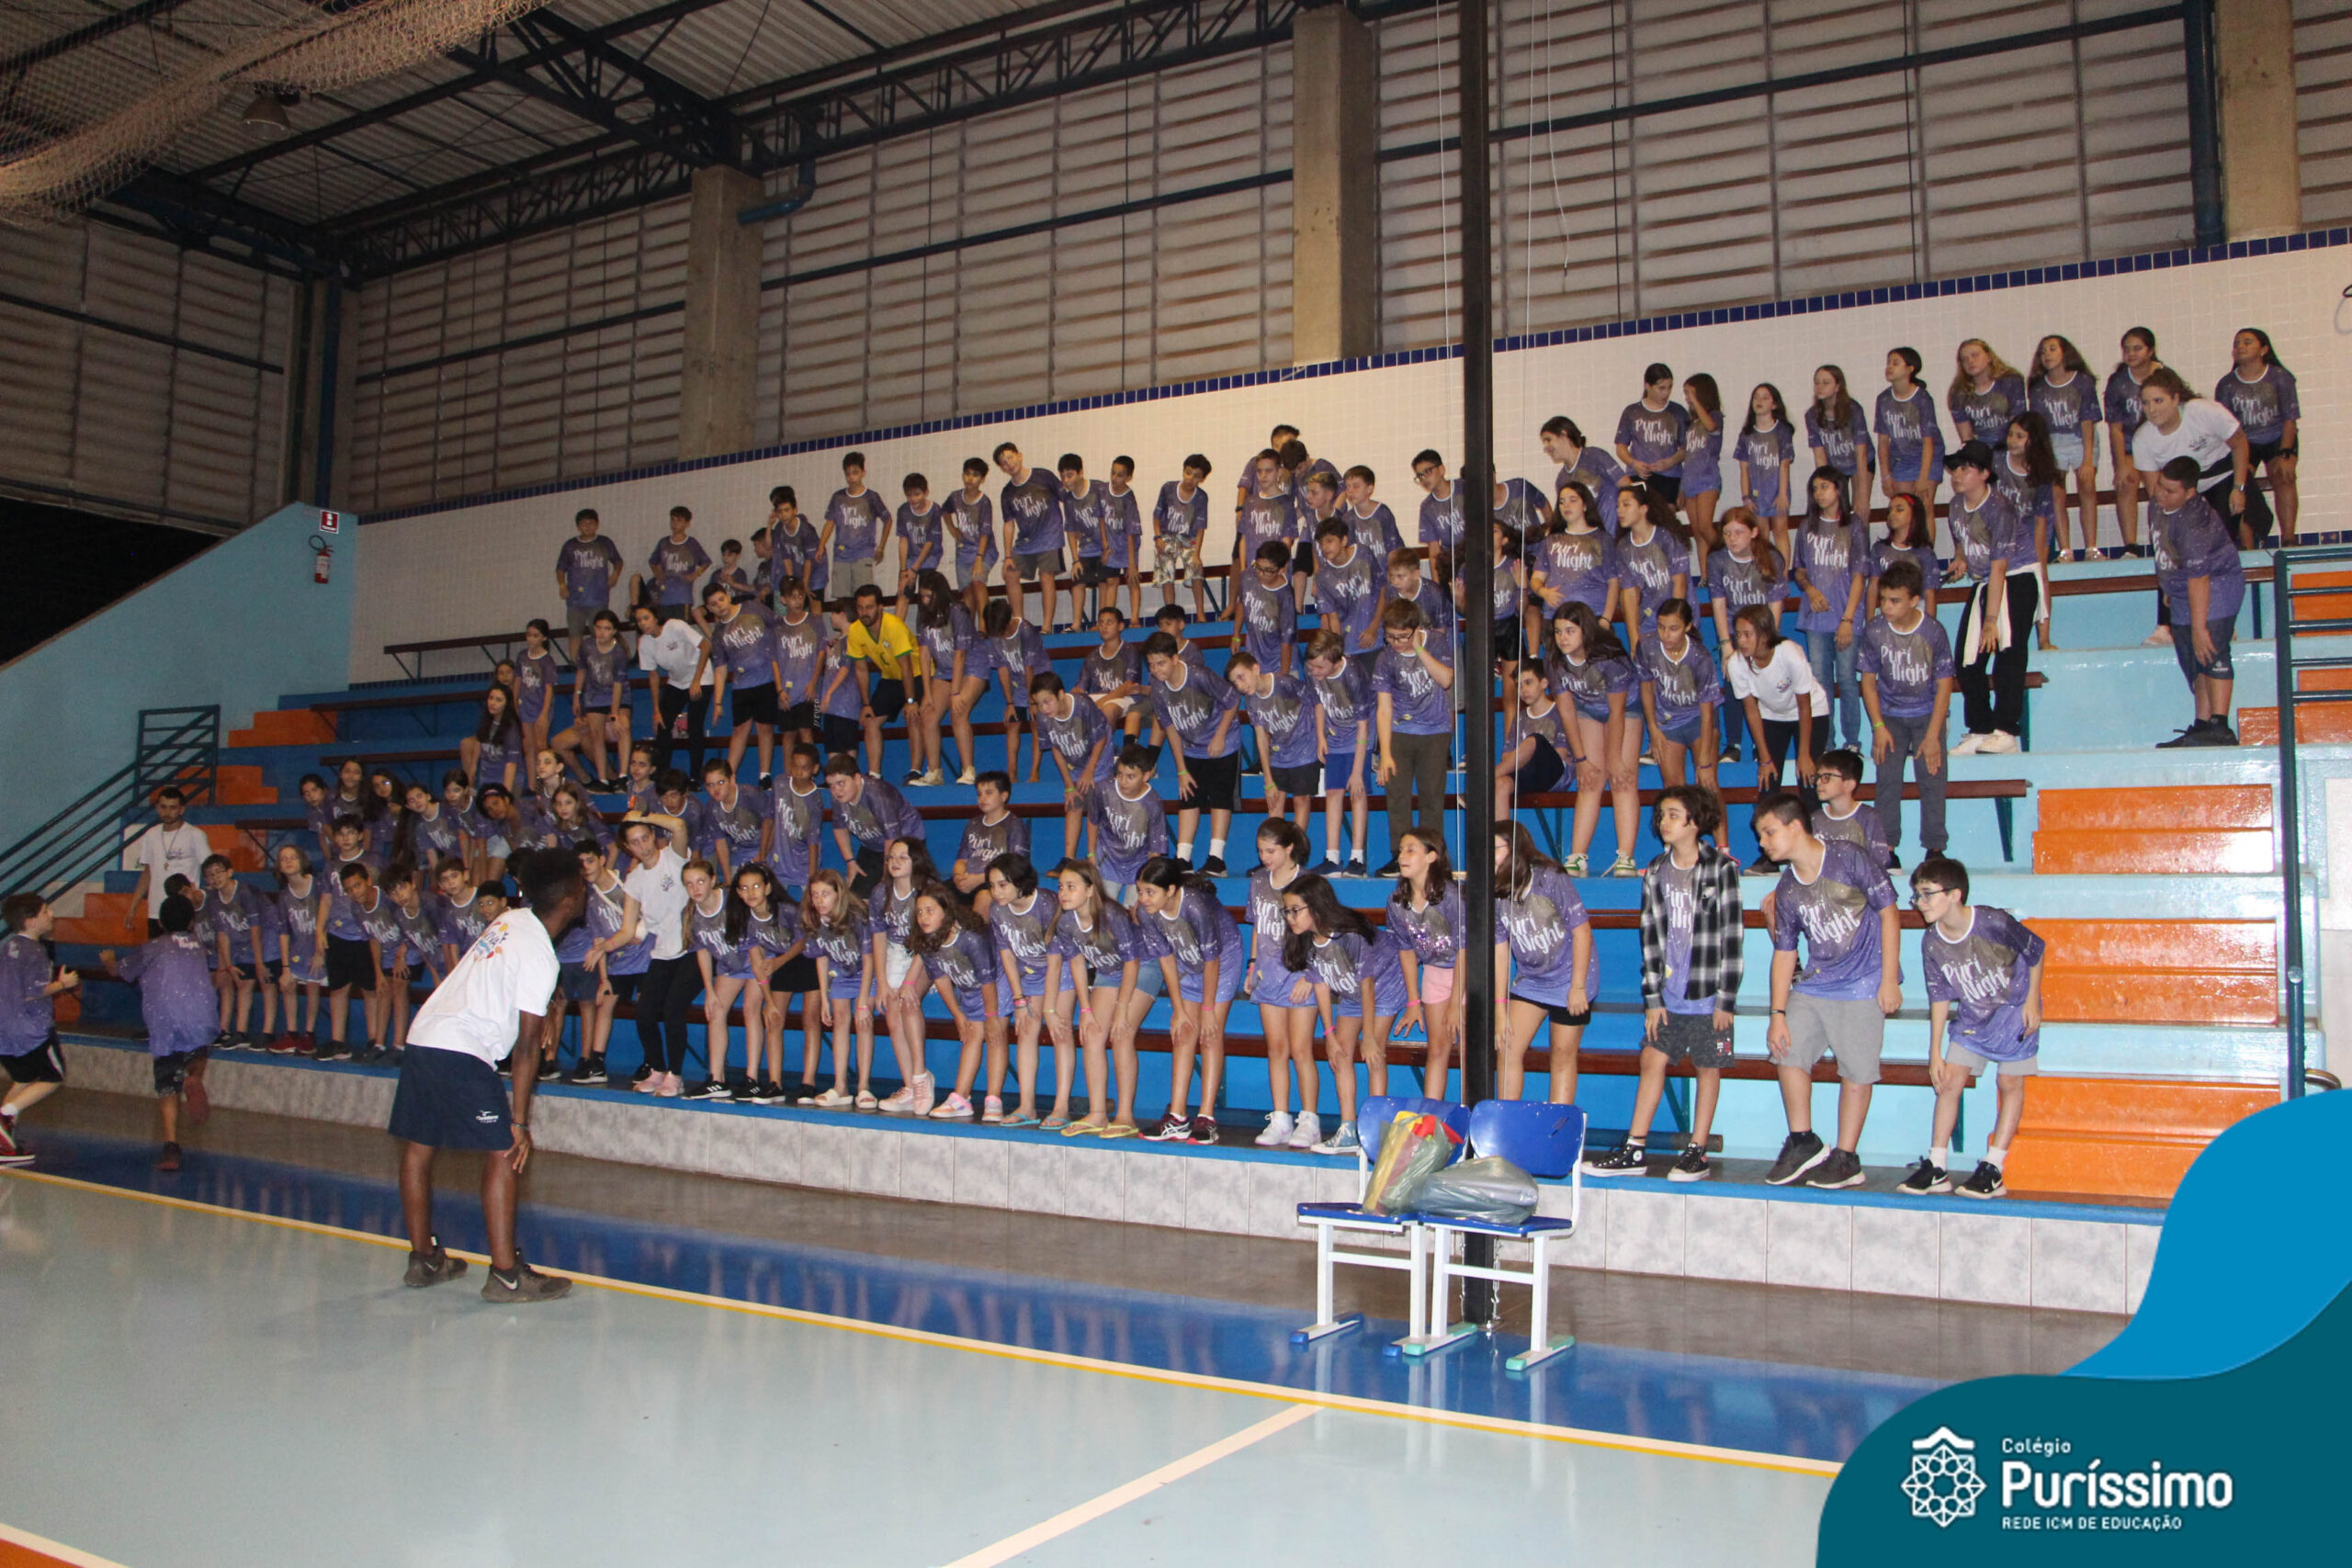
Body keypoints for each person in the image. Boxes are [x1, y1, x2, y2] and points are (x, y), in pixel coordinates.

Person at [389, 846, 585, 1303]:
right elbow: (526, 1048)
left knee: (419, 1148)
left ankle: (424, 1260)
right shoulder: (540, 953)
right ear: (570, 899)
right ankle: (507, 1276)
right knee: (503, 1152)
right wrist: (519, 1121)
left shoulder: (510, 919)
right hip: (462, 1047)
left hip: (425, 1034)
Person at [1585, 786, 1742, 1180]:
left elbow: (1732, 937)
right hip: (1669, 995)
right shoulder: (1656, 869)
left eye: (1673, 815)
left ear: (1695, 821)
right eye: (1662, 815)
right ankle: (1635, 1147)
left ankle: (1697, 1151)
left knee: (1708, 1066)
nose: (1664, 822)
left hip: (1708, 994)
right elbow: (1650, 937)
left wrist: (1726, 999)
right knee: (1651, 1058)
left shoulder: (1720, 869)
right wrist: (1653, 998)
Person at [1756, 791, 1901, 1190]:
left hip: (1863, 981)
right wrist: (1777, 1015)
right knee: (1786, 1049)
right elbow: (1785, 953)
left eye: (1769, 832)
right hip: (1817, 983)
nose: (1762, 843)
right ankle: (1803, 1140)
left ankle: (1847, 1157)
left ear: (1795, 827)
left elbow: (1890, 913)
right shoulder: (1788, 887)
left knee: (1856, 1071)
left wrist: (1889, 979)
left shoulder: (1848, 857)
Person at [1904, 855, 2046, 1200]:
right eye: (1917, 895)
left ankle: (1994, 1166)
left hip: (2013, 1012)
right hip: (1973, 1017)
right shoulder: (1932, 941)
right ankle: (1937, 1165)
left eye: (1927, 894)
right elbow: (1939, 996)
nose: (1920, 902)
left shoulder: (1992, 922)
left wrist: (2032, 1001)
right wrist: (1934, 1052)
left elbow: (2036, 950)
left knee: (2009, 1082)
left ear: (1954, 895)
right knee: (1949, 1081)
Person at [1286, 874, 1408, 1156]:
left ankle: (1376, 1134)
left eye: (1295, 910)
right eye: (1287, 911)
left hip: (1383, 986)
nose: (1290, 918)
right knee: (1339, 1055)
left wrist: (1369, 1036)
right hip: (1350, 993)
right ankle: (1349, 1129)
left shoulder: (1348, 936)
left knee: (1373, 1053)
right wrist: (1329, 1035)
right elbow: (1320, 986)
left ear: (1316, 907)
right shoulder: (1307, 940)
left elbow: (1368, 985)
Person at [97, 895, 216, 1170]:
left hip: (166, 1026)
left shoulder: (151, 948)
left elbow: (121, 971)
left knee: (167, 1087)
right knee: (198, 1052)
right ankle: (193, 1077)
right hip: (202, 1020)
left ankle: (171, 1146)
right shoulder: (200, 946)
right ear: (192, 922)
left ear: (160, 923)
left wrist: (109, 961)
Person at [1134, 855, 1241, 1145]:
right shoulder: (1146, 912)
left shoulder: (1195, 907)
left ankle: (1207, 1117)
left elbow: (1212, 961)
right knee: (1183, 1032)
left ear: (1170, 890)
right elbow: (1166, 959)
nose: (1143, 899)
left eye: (1150, 892)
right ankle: (1177, 1117)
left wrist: (1207, 1009)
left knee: (1209, 1033)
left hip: (1222, 960)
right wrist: (1179, 1009)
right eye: (1140, 891)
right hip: (1186, 957)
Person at [1042, 859, 1154, 1136]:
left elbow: (1131, 962)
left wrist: (1122, 1009)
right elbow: (1077, 963)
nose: (1063, 893)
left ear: (1090, 890)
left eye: (1071, 887)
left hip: (1141, 967)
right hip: (1108, 972)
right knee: (1091, 1033)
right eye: (1061, 887)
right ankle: (1098, 1113)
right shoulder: (1066, 921)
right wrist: (1086, 1009)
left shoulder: (1112, 915)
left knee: (1122, 1032)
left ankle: (1125, 1116)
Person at [1858, 558, 1957, 863]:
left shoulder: (1933, 632)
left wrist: (1933, 734)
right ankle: (1887, 849)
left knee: (1932, 777)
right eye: (1883, 599)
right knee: (1887, 779)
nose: (1886, 606)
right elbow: (1868, 683)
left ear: (1914, 600)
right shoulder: (1874, 631)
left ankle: (1935, 848)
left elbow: (1944, 686)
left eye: (1895, 600)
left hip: (1927, 713)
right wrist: (1878, 727)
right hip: (1890, 715)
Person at [1942, 441, 2036, 756]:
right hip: (1984, 582)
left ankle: (2006, 731)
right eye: (1955, 468)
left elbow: (2000, 567)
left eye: (1965, 468)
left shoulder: (2000, 509)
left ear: (1984, 474)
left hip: (2016, 579)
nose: (1957, 475)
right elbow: (1962, 538)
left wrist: (1991, 620)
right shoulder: (1956, 506)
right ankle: (1980, 728)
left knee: (2007, 654)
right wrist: (1961, 557)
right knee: (1967, 660)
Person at [2148, 455, 2247, 749]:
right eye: (2160, 486)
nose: (2161, 494)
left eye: (2170, 491)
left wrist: (2200, 628)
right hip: (2182, 588)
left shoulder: (2194, 522)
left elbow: (2200, 578)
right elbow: (2164, 548)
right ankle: (2202, 725)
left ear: (2190, 493)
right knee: (2193, 660)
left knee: (2209, 649)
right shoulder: (2157, 505)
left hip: (2216, 583)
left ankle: (2220, 726)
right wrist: (2167, 584)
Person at [1493, 822, 1594, 1103]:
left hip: (1570, 976)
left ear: (1516, 849)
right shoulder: (1496, 890)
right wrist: (1500, 1007)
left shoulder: (1549, 878)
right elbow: (1500, 950)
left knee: (1562, 1054)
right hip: (1532, 979)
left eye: (1495, 849)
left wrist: (1578, 987)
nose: (1488, 856)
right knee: (1506, 1047)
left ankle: (1558, 1123)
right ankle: (1507, 1118)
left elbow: (1582, 931)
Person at [1544, 604, 1642, 877]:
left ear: (1585, 631)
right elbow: (1566, 711)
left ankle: (1626, 857)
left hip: (1625, 709)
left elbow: (1617, 711)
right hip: (1587, 708)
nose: (1562, 638)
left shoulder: (1610, 657)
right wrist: (1582, 760)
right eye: (1558, 631)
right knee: (1588, 780)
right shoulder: (1554, 660)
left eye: (1570, 631)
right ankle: (1577, 856)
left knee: (1622, 778)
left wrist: (1615, 759)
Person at [905, 881, 1011, 1122]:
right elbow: (941, 979)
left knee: (995, 1035)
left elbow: (988, 981)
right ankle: (961, 1098)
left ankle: (994, 1100)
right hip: (969, 987)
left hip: (996, 982)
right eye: (919, 912)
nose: (923, 917)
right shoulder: (928, 941)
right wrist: (958, 1014)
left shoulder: (970, 938)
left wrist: (992, 1018)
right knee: (971, 1035)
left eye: (930, 910)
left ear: (947, 911)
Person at [1724, 604, 1822, 865]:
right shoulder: (1736, 663)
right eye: (1738, 635)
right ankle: (1768, 856)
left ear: (1765, 634)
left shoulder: (1790, 653)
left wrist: (1804, 754)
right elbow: (1751, 711)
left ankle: (1814, 853)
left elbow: (1804, 706)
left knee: (1808, 781)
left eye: (1747, 635)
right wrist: (1765, 758)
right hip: (1772, 716)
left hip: (1811, 712)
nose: (1741, 641)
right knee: (1767, 784)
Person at [1240, 820, 1317, 1147]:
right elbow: (1258, 925)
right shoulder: (1258, 880)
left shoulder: (1309, 882)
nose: (1264, 857)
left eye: (1271, 850)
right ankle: (1281, 1118)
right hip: (1268, 974)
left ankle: (1309, 1120)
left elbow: (1323, 932)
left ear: (1289, 848)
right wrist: (1252, 964)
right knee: (1276, 1049)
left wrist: (1311, 976)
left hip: (1300, 974)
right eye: (1260, 851)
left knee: (1301, 1049)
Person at [1142, 629, 1242, 874]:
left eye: (1161, 663)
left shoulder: (1199, 676)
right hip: (1192, 748)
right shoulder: (1158, 688)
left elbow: (1232, 701)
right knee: (1188, 798)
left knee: (1220, 797)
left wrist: (1219, 736)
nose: (1155, 669)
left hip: (1222, 742)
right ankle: (1183, 858)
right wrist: (1181, 769)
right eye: (1151, 665)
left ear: (1175, 659)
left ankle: (1217, 859)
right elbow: (1169, 727)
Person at [1372, 600, 1455, 876]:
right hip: (1400, 733)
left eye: (1403, 637)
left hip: (1434, 732)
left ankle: (1432, 858)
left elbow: (1446, 679)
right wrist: (1385, 752)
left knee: (1431, 798)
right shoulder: (1385, 658)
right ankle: (1401, 856)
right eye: (1390, 637)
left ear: (1416, 630)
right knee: (1397, 797)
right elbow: (1384, 708)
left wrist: (1419, 648)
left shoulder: (1437, 642)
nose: (1396, 643)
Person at [616, 810, 695, 1098]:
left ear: (653, 836)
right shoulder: (634, 880)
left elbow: (679, 825)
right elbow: (627, 929)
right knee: (645, 1013)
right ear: (628, 848)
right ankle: (658, 1069)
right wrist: (604, 947)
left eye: (646, 837)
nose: (643, 846)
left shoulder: (674, 856)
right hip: (662, 954)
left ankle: (675, 1075)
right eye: (635, 842)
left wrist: (643, 815)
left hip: (692, 950)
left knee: (673, 1009)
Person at [1788, 466, 1867, 750]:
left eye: (1825, 487)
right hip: (1816, 619)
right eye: (1815, 489)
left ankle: (1852, 743)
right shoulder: (1806, 528)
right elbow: (1799, 571)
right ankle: (1826, 744)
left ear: (1838, 489)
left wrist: (1848, 619)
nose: (1819, 494)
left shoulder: (1854, 526)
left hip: (1846, 616)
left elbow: (1860, 576)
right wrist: (1810, 590)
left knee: (1846, 679)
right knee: (1820, 683)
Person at [0, 894, 78, 1166]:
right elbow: (32, 991)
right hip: (31, 1028)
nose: (52, 914)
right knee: (54, 1076)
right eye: (46, 911)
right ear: (30, 921)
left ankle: (3, 1141)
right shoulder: (34, 951)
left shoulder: (8, 947)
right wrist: (63, 984)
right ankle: (5, 1115)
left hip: (5, 1028)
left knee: (24, 1078)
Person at [563, 838, 647, 1085]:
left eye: (590, 861)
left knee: (646, 1007)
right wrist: (603, 978)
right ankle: (597, 1064)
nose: (586, 868)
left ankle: (652, 1062)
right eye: (580, 864)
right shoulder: (590, 898)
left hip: (645, 955)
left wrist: (640, 931)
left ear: (601, 860)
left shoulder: (627, 878)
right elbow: (598, 939)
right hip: (618, 960)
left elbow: (651, 910)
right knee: (605, 1002)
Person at [1386, 827, 1462, 1099]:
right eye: (1400, 851)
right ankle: (1432, 1113)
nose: (1402, 857)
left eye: (1410, 850)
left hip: (1466, 974)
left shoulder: (1451, 897)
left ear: (1432, 856)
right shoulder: (1397, 902)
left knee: (1471, 1051)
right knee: (1437, 1049)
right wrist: (1413, 1001)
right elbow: (1406, 951)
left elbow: (1465, 950)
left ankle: (1474, 1114)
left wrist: (1456, 1003)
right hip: (1434, 973)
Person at [870, 838, 941, 1114]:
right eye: (891, 857)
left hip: (928, 951)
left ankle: (921, 1076)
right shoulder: (881, 892)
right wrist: (881, 982)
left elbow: (931, 938)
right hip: (896, 951)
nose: (895, 862)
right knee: (891, 1010)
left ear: (916, 861)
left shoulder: (927, 889)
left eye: (902, 857)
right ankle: (910, 1085)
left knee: (908, 1001)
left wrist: (910, 981)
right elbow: (878, 938)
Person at [983, 854, 1054, 1127]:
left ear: (1020, 882)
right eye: (992, 886)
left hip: (1053, 969)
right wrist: (1019, 999)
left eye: (1003, 885)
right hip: (1022, 969)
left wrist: (1045, 1001)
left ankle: (1054, 1106)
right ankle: (1026, 1106)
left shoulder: (1045, 904)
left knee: (1041, 1029)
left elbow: (1058, 955)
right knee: (1021, 1028)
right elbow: (1007, 954)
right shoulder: (998, 909)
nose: (996, 892)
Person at [693, 581, 783, 787]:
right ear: (709, 609)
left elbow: (778, 624)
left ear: (728, 596)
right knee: (740, 730)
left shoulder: (753, 607)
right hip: (742, 685)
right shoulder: (719, 633)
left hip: (767, 678)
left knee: (765, 727)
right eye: (713, 604)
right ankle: (728, 776)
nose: (719, 605)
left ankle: (765, 775)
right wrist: (717, 703)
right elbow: (720, 668)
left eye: (721, 599)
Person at [1227, 649, 1320, 840]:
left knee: (1301, 800)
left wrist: (1320, 737)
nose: (1240, 686)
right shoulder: (1251, 699)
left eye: (1241, 677)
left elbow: (1316, 702)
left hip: (1305, 749)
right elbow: (1261, 737)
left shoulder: (1285, 684)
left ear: (1255, 669)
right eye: (1235, 682)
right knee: (1275, 803)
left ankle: (1294, 850)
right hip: (1279, 753)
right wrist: (1268, 779)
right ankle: (1275, 849)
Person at [2216, 326, 2298, 544]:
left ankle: (2289, 540)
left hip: (2278, 438)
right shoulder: (2227, 385)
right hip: (2244, 442)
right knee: (2243, 482)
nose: (2240, 347)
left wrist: (2286, 453)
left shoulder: (2280, 377)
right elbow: (2224, 427)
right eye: (2236, 344)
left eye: (2247, 342)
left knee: (2283, 475)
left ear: (2263, 350)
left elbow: (2290, 419)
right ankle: (2248, 546)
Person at [1302, 630, 1371, 875]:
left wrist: (1357, 771)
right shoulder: (1311, 670)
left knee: (1357, 792)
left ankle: (1357, 858)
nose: (1314, 672)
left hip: (1360, 734)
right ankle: (1332, 857)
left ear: (1336, 661)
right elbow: (1318, 702)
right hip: (1335, 734)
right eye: (1312, 666)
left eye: (1320, 667)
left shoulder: (1353, 674)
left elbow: (1363, 725)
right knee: (1332, 792)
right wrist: (1321, 736)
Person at [1636, 596, 1722, 794]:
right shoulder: (1647, 647)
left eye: (1673, 629)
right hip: (1669, 720)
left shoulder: (1700, 657)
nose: (1666, 635)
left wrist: (1704, 762)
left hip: (1698, 718)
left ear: (1687, 627)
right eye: (1661, 627)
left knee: (1707, 787)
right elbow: (1646, 686)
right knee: (1673, 789)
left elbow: (1707, 712)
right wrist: (1653, 729)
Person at [2028, 334, 2101, 561]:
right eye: (2043, 351)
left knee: (2087, 486)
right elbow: (2039, 427)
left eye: (2052, 349)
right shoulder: (2039, 388)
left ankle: (2091, 548)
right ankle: (2065, 550)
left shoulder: (2082, 382)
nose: (2047, 354)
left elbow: (2088, 420)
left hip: (2080, 438)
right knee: (2056, 493)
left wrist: (2087, 460)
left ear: (2065, 352)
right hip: (2053, 441)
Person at [1996, 413, 2064, 652]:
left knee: (2040, 576)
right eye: (2010, 435)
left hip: (2029, 526)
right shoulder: (1996, 463)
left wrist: (2039, 560)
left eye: (2019, 436)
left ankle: (2044, 639)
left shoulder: (2041, 474)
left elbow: (2041, 521)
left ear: (2033, 441)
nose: (2012, 441)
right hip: (2000, 526)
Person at [1031, 670, 1114, 859]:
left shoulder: (1083, 705)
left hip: (1098, 756)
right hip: (1075, 761)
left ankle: (1095, 856)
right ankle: (1068, 859)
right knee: (1073, 802)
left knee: (1096, 800)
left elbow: (1101, 738)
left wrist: (1090, 771)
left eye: (1047, 701)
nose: (1043, 708)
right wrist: (1069, 785)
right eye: (1038, 703)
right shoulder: (1043, 717)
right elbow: (1055, 748)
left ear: (1060, 694)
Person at [842, 584, 919, 777]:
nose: (864, 613)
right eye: (860, 608)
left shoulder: (894, 626)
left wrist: (910, 700)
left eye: (869, 607)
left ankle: (915, 771)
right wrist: (866, 704)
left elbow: (906, 667)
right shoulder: (855, 630)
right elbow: (861, 669)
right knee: (870, 721)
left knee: (912, 715)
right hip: (890, 677)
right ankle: (874, 774)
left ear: (880, 607)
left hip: (915, 674)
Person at [994, 441, 1069, 633]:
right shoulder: (1007, 492)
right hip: (1026, 541)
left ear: (1019, 456)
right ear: (1002, 468)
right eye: (1004, 462)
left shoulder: (1043, 476)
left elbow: (1067, 499)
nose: (1009, 463)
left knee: (1046, 576)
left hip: (1050, 538)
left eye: (1010, 457)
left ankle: (1046, 626)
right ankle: (1019, 621)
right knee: (1010, 573)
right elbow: (1008, 524)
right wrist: (1008, 555)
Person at [1607, 480, 1692, 649]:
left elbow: (1680, 584)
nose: (1619, 510)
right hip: (1649, 618)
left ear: (1644, 508)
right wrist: (1634, 640)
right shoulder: (1623, 547)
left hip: (1677, 615)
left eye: (1626, 505)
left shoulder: (1666, 538)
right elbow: (1629, 594)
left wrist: (1674, 625)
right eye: (1618, 506)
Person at [823, 752, 923, 896]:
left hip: (905, 841)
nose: (836, 790)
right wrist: (850, 862)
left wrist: (887, 876)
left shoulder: (878, 795)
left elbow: (892, 838)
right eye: (831, 785)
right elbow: (839, 828)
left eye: (841, 783)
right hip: (873, 845)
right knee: (857, 898)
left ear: (857, 779)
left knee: (891, 892)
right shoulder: (838, 797)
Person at [910, 570, 975, 785]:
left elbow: (961, 654)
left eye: (929, 596)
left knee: (958, 711)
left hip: (971, 667)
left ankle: (968, 770)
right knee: (927, 715)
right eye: (922, 596)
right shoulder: (923, 615)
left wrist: (955, 693)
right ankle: (934, 771)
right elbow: (924, 654)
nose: (925, 601)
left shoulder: (957, 611)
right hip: (944, 669)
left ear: (940, 594)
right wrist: (927, 694)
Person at [1875, 346, 1946, 547]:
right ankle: (1906, 552)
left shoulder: (1922, 398)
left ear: (1910, 369)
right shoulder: (1883, 399)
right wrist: (1886, 475)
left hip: (1927, 456)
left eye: (1895, 363)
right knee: (1903, 507)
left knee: (1925, 506)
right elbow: (1882, 442)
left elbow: (1928, 441)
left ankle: (1926, 554)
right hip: (1902, 458)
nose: (1889, 367)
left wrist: (1924, 476)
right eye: (1888, 363)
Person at [2103, 327, 2163, 558]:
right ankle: (2131, 546)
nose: (2131, 354)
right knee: (2126, 481)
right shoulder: (2118, 382)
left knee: (2160, 487)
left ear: (2151, 351)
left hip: (2159, 445)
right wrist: (2119, 465)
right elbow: (2115, 429)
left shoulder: (2163, 377)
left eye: (2137, 348)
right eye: (2127, 349)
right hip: (2130, 446)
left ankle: (2163, 540)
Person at [1085, 744, 1170, 905]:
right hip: (1107, 860)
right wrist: (1091, 855)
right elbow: (1093, 821)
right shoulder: (1104, 789)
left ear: (1146, 776)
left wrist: (1147, 879)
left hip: (1139, 863)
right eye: (1119, 774)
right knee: (1105, 909)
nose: (1123, 781)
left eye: (1131, 777)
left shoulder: (1153, 803)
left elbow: (1155, 849)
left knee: (1135, 911)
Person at [633, 603, 709, 779]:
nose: (643, 623)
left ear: (655, 617)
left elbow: (706, 646)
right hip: (677, 681)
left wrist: (696, 680)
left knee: (694, 726)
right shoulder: (644, 642)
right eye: (639, 621)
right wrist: (656, 711)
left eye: (646, 618)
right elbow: (653, 676)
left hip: (701, 675)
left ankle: (695, 777)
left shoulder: (675, 626)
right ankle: (662, 775)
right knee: (662, 725)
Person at [556, 613, 629, 791]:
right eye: (599, 628)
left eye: (607, 629)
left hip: (617, 695)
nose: (602, 632)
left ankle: (623, 776)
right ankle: (603, 779)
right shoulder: (587, 646)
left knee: (622, 726)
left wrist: (614, 712)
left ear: (614, 631)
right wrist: (577, 695)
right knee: (596, 736)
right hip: (594, 697)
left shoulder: (619, 652)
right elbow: (581, 671)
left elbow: (618, 684)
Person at [979, 596, 1051, 779]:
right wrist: (1009, 702)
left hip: (1039, 680)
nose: (1000, 637)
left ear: (1008, 622)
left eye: (1001, 632)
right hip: (1019, 682)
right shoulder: (995, 635)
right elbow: (1003, 669)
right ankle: (1012, 773)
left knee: (1036, 722)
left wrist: (1033, 702)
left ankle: (1034, 772)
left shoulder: (1025, 631)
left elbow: (1029, 669)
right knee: (1012, 723)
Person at [128, 785, 207, 935]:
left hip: (183, 911)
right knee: (157, 949)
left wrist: (199, 899)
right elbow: (147, 873)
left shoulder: (195, 834)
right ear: (157, 808)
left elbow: (208, 869)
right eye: (163, 807)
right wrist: (133, 906)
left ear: (181, 810)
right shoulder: (151, 834)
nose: (167, 812)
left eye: (172, 808)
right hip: (156, 911)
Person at [1495, 664, 1570, 818]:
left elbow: (1561, 753)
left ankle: (1484, 781)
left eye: (1528, 683)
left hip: (1554, 773)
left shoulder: (1560, 712)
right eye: (1519, 685)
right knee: (1501, 784)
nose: (1523, 690)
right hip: (1527, 773)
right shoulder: (1520, 718)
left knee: (1534, 741)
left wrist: (1526, 756)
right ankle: (1502, 834)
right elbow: (1506, 756)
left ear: (1544, 683)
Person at [271, 844, 326, 1052]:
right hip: (299, 947)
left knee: (313, 984)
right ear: (279, 866)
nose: (288, 861)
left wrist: (320, 953)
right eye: (283, 858)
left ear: (302, 860)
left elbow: (328, 920)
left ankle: (309, 1035)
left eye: (293, 857)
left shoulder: (318, 886)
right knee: (288, 983)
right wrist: (285, 968)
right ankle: (291, 1033)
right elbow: (284, 933)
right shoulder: (284, 896)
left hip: (320, 947)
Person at [950, 769, 1029, 913]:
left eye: (989, 793)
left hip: (995, 883)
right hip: (969, 880)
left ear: (1003, 796)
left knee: (984, 897)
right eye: (979, 794)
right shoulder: (973, 824)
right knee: (936, 894)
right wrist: (958, 877)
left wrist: (978, 880)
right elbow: (961, 859)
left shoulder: (1014, 825)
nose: (982, 798)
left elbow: (1015, 867)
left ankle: (977, 929)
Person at [1310, 515, 1382, 673]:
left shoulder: (1363, 554)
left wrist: (1374, 627)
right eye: (1321, 543)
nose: (1324, 547)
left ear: (1344, 540)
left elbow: (1382, 589)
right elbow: (1333, 618)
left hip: (1374, 640)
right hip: (1347, 646)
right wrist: (1339, 651)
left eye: (1330, 541)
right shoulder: (1323, 576)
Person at [1805, 364, 1874, 526]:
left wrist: (1863, 494)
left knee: (1860, 512)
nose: (1820, 387)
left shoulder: (1854, 410)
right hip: (1835, 465)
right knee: (1836, 510)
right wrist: (1824, 486)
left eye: (1826, 382)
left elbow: (1861, 452)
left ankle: (1862, 541)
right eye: (1817, 383)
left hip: (1859, 463)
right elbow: (1820, 456)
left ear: (1837, 387)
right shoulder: (1812, 415)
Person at [1734, 383, 1796, 555]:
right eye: (1756, 397)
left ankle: (1783, 570)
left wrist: (1782, 494)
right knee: (1761, 535)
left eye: (1765, 397)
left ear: (1774, 404)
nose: (1759, 401)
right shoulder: (1746, 434)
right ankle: (1766, 569)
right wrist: (1746, 497)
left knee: (1780, 532)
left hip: (1777, 492)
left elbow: (1784, 465)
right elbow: (1744, 469)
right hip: (1757, 495)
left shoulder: (1782, 431)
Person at [1615, 362, 1690, 502]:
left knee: (1666, 513)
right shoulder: (1632, 412)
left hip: (1670, 477)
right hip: (1639, 476)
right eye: (1661, 388)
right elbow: (1621, 447)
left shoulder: (1678, 412)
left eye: (1669, 387)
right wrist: (1634, 463)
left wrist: (1671, 462)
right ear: (1647, 386)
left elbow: (1687, 447)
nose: (1666, 393)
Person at [555, 508, 624, 660]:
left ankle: (601, 661)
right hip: (575, 599)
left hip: (598, 597)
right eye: (583, 524)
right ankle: (575, 663)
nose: (587, 527)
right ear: (578, 526)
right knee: (575, 633)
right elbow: (560, 568)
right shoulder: (570, 545)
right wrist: (562, 585)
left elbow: (618, 561)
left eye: (591, 523)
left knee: (600, 633)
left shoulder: (604, 542)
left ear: (597, 524)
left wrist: (615, 575)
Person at [1539, 415, 1624, 532]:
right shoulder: (1561, 480)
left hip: (1616, 532)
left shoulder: (1596, 456)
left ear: (1564, 435)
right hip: (1591, 538)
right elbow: (1564, 519)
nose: (1546, 448)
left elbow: (1627, 486)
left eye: (1548, 440)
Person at [1151, 455, 1212, 617]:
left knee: (1196, 568)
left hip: (1188, 539)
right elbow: (1157, 516)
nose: (1191, 478)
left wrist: (1197, 555)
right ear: (1183, 471)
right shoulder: (1168, 489)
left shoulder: (1201, 497)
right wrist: (1158, 537)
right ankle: (1171, 613)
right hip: (1167, 536)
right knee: (1166, 569)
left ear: (1202, 479)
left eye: (1196, 476)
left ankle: (1200, 614)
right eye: (1188, 472)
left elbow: (1200, 528)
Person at [1810, 749, 1890, 867]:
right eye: (1818, 777)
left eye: (1826, 777)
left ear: (1849, 785)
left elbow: (1879, 862)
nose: (1818, 782)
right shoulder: (1815, 819)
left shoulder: (1869, 818)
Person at [1947, 339, 2028, 450]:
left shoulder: (2011, 382)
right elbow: (1966, 438)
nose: (1970, 361)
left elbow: (2020, 425)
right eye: (1965, 359)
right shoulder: (1958, 392)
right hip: (1981, 451)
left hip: (2010, 447)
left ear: (1989, 357)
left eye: (1975, 355)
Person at [944, 458, 998, 619]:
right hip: (963, 551)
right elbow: (945, 511)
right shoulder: (955, 497)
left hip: (984, 550)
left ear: (982, 479)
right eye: (967, 474)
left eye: (975, 475)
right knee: (967, 589)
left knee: (978, 583)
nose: (970, 478)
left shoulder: (984, 502)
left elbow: (985, 532)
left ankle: (984, 626)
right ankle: (968, 628)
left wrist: (979, 558)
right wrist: (952, 529)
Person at [1679, 373, 1726, 552]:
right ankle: (1705, 571)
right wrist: (1682, 488)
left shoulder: (1715, 416)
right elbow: (1688, 457)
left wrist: (1695, 402)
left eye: (1689, 393)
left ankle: (1726, 556)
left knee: (1706, 527)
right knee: (1698, 533)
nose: (1687, 398)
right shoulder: (1692, 424)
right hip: (1690, 482)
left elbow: (1711, 426)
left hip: (1707, 480)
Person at [1237, 540, 1297, 677]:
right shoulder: (1248, 576)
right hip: (1255, 657)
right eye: (1258, 567)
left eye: (1268, 570)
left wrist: (1283, 677)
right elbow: (1241, 603)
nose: (1261, 573)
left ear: (1281, 570)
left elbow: (1286, 642)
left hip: (1280, 661)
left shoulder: (1285, 595)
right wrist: (1236, 635)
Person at [1102, 456, 1148, 625]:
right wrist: (1105, 545)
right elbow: (1100, 519)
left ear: (1129, 477)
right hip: (1111, 546)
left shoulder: (1128, 499)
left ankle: (1134, 619)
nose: (1114, 478)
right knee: (1111, 581)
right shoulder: (1104, 491)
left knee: (1132, 579)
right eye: (1112, 473)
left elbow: (1131, 533)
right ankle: (1108, 620)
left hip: (1128, 546)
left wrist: (1131, 563)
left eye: (1120, 475)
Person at [644, 506, 712, 619]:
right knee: (665, 627)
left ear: (687, 524)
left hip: (683, 597)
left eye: (679, 520)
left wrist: (694, 575)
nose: (674, 523)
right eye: (672, 519)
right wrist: (658, 574)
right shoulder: (664, 542)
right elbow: (652, 561)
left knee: (681, 627)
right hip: (665, 596)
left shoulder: (691, 543)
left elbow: (706, 562)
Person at [894, 470, 945, 617]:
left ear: (926, 492)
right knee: (903, 592)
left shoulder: (935, 510)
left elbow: (930, 542)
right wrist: (904, 570)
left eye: (917, 494)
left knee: (926, 596)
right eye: (909, 495)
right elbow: (903, 540)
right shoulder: (903, 511)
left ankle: (925, 628)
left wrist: (914, 569)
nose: (913, 499)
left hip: (929, 558)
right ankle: (895, 630)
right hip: (911, 558)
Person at [512, 619, 562, 763]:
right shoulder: (522, 656)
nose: (531, 639)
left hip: (540, 706)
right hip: (525, 706)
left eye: (535, 635)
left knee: (541, 745)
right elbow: (517, 680)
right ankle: (532, 778)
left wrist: (544, 714)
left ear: (544, 638)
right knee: (528, 747)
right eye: (529, 635)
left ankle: (548, 774)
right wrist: (514, 703)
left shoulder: (547, 661)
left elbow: (549, 689)